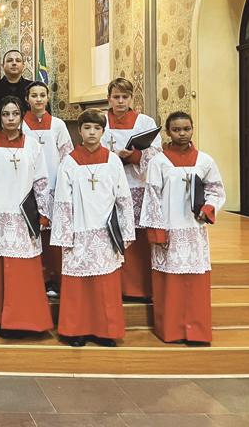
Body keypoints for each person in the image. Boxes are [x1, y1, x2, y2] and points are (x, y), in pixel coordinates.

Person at [0, 96, 54, 337]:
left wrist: (44, 212)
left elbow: (42, 181)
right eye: (6, 114)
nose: (11, 119)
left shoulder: (33, 146)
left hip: (23, 218)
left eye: (15, 114)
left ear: (21, 115)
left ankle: (24, 320)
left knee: (23, 270)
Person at [140, 111, 226, 344]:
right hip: (168, 229)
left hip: (194, 230)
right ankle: (173, 330)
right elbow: (152, 198)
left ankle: (197, 331)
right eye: (176, 129)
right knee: (171, 283)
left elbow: (216, 190)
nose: (182, 133)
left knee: (195, 282)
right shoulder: (160, 161)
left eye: (186, 129)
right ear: (168, 132)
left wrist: (209, 208)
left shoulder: (205, 160)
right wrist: (157, 230)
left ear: (192, 129)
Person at [52, 110, 135, 347]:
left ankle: (105, 331)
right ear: (79, 130)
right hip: (78, 230)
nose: (91, 133)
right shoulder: (69, 161)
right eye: (87, 128)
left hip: (106, 231)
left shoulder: (113, 160)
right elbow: (62, 200)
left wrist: (127, 232)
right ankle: (75, 330)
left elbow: (124, 198)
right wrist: (65, 234)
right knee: (78, 284)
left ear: (103, 131)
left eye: (96, 129)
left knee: (105, 284)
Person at [102, 77, 162, 301]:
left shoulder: (144, 122)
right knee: (110, 232)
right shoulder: (100, 121)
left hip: (136, 183)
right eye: (116, 97)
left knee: (135, 235)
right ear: (108, 98)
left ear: (131, 98)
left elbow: (156, 153)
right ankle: (112, 285)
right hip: (107, 187)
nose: (120, 101)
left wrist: (135, 156)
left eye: (124, 97)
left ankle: (137, 287)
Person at [21, 81, 73, 296]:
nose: (39, 99)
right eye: (34, 95)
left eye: (43, 95)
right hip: (26, 186)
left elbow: (67, 155)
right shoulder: (20, 124)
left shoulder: (58, 125)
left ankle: (53, 278)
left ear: (48, 98)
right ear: (27, 99)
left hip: (53, 184)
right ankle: (34, 279)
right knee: (31, 233)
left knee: (52, 233)